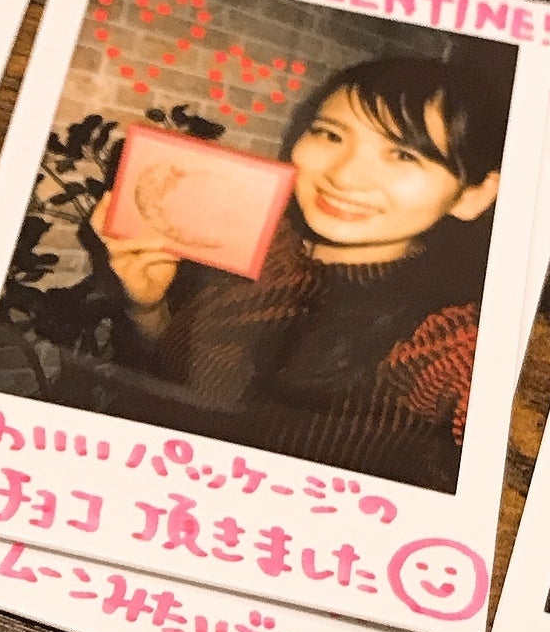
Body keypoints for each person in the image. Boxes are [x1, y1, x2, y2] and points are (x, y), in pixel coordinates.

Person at [64, 50, 509, 489]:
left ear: (474, 195)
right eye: (330, 135)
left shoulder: (450, 341)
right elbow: (169, 388)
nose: (344, 177)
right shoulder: (252, 244)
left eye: (405, 155)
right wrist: (147, 308)